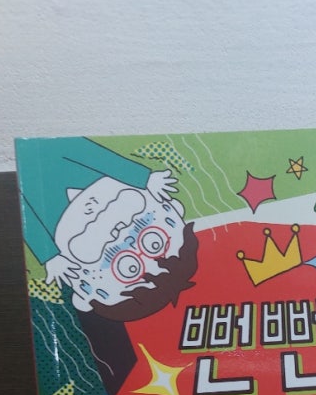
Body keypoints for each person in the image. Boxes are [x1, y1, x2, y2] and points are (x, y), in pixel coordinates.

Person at [16, 137, 198, 321]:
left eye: (129, 268)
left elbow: (24, 204)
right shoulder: (88, 166)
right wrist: (142, 178)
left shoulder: (47, 221)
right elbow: (66, 146)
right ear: (174, 208)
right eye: (153, 243)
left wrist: (49, 256)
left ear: (83, 292)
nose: (124, 238)